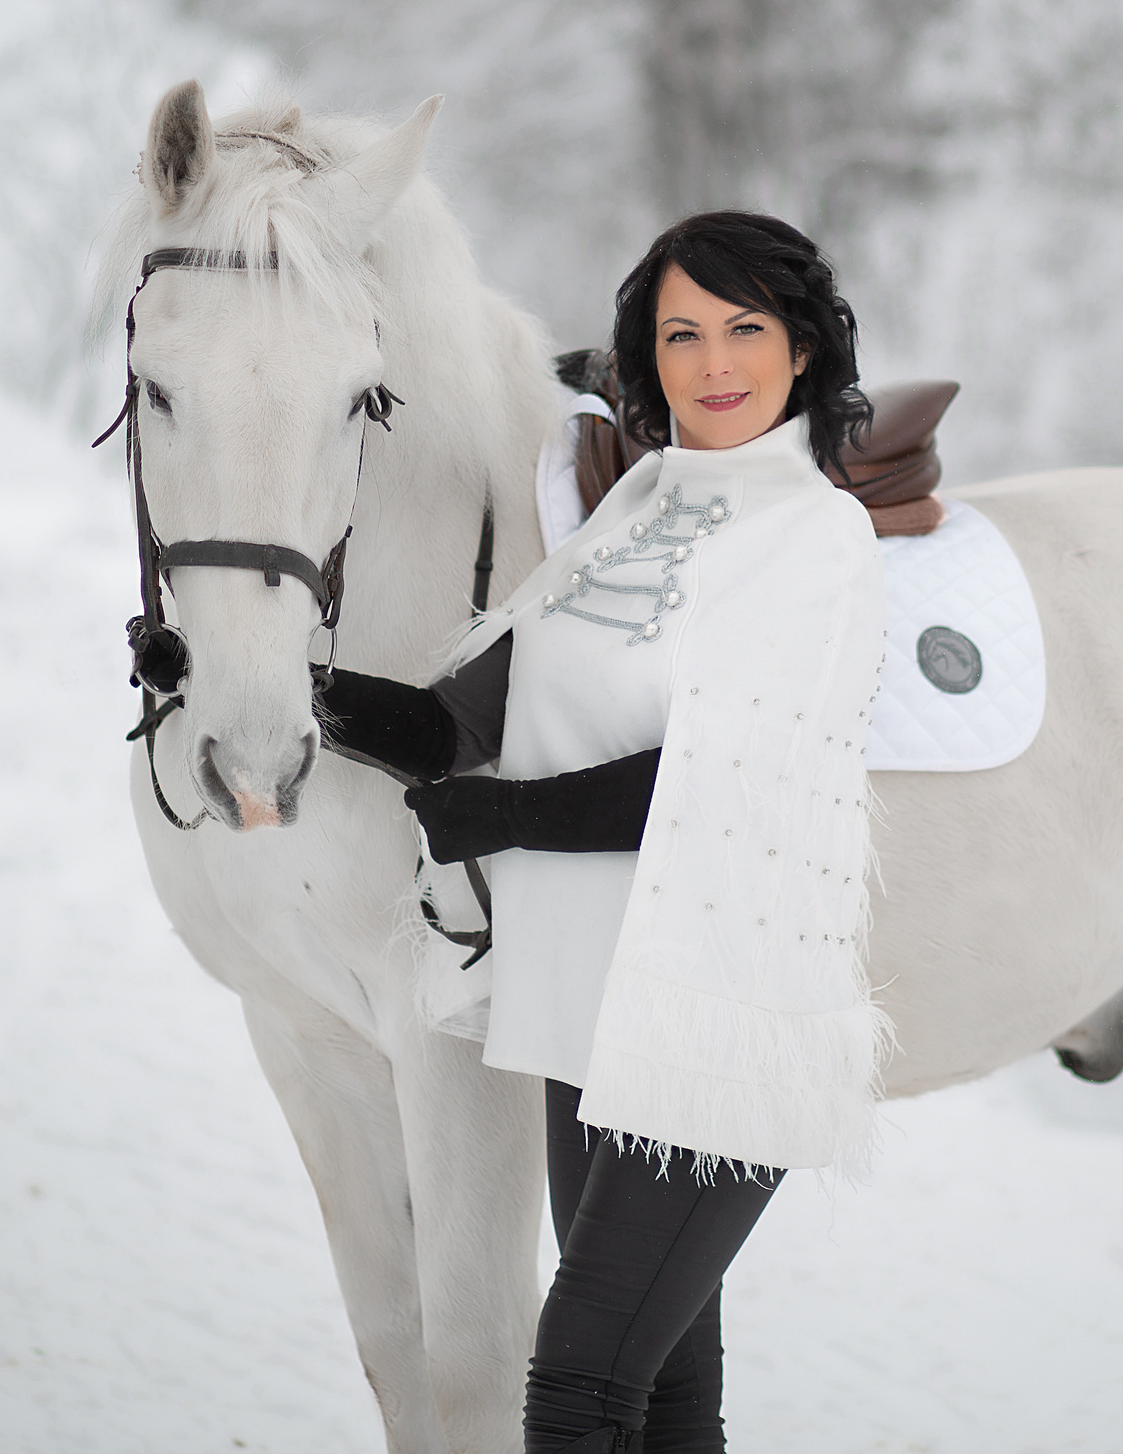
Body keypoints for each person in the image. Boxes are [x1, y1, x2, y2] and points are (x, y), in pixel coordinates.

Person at [316, 211, 889, 1454]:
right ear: (647, 355)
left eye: (747, 328)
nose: (715, 359)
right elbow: (465, 719)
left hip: (716, 1016)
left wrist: (509, 821)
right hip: (588, 1009)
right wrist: (267, 685)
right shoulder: (635, 499)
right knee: (666, 1389)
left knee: (576, 1380)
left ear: (801, 350)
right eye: (682, 332)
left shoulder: (818, 537)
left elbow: (727, 782)